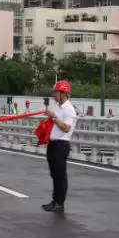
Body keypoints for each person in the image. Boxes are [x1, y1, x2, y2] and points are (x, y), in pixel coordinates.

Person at [43, 80, 77, 213]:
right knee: (54, 174)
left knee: (60, 174)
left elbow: (66, 128)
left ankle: (59, 202)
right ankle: (55, 200)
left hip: (61, 144)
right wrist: (49, 117)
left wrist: (54, 118)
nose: (54, 95)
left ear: (63, 93)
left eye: (56, 93)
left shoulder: (69, 110)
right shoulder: (57, 106)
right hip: (53, 143)